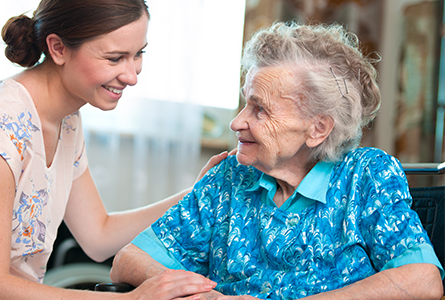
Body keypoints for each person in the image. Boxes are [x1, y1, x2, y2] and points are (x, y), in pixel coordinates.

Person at [0, 0, 222, 299]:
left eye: (139, 54)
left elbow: (98, 235)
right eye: (114, 58)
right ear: (58, 48)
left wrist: (196, 193)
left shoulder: (65, 120)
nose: (132, 74)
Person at [110, 21, 445, 299]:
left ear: (317, 129)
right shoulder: (230, 177)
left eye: (260, 109)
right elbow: (128, 260)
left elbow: (421, 279)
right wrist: (196, 292)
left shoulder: (366, 176)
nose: (237, 122)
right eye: (245, 104)